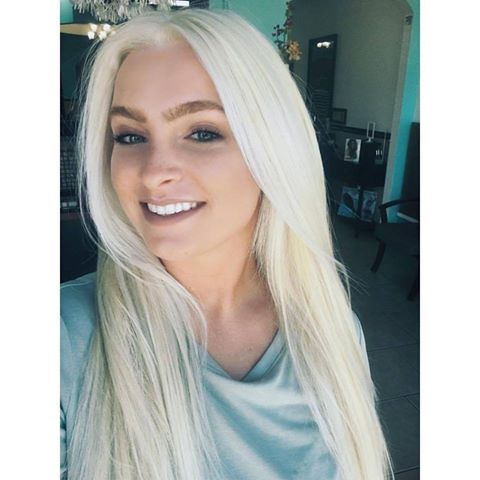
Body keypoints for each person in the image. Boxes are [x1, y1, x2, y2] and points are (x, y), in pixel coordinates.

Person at [61, 8, 392, 480]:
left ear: (272, 152)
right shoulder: (59, 336)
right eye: (130, 136)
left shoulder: (333, 329)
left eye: (202, 133)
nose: (154, 172)